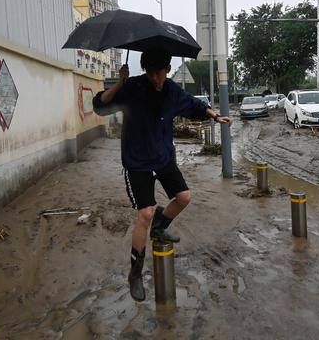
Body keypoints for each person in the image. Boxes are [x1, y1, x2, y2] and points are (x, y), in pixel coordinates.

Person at [93, 48, 230, 302]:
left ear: (167, 70)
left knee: (184, 197)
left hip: (163, 158)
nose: (156, 78)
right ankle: (135, 273)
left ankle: (160, 226)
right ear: (145, 71)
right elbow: (100, 106)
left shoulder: (173, 91)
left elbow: (193, 105)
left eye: (160, 72)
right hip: (137, 162)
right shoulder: (132, 88)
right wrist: (120, 83)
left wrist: (214, 115)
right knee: (144, 212)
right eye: (151, 73)